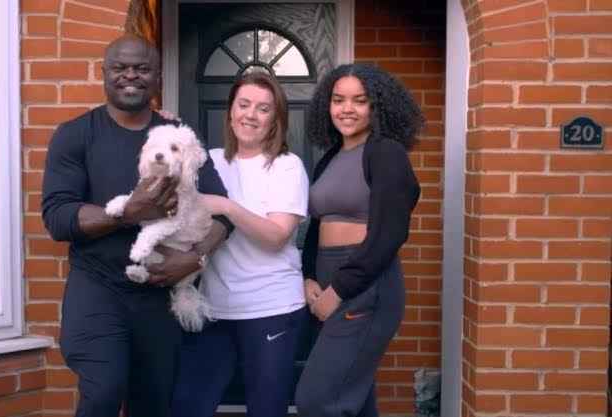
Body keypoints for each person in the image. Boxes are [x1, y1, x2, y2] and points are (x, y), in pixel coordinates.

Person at [41, 35, 233, 417]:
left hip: (157, 299)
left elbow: (223, 212)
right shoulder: (75, 134)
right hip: (98, 291)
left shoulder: (175, 136)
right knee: (102, 395)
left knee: (154, 404)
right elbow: (59, 217)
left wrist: (194, 258)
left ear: (158, 77)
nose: (131, 75)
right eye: (120, 68)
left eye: (142, 69)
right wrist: (128, 213)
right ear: (104, 73)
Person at [171, 72, 309, 417]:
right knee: (188, 405)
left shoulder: (287, 167)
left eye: (263, 109)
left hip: (271, 309)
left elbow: (277, 236)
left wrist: (227, 206)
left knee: (266, 409)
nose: (251, 115)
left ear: (275, 119)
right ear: (230, 112)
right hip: (213, 308)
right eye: (243, 104)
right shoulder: (209, 162)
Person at [294, 63, 423, 417]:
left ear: (376, 106)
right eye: (338, 100)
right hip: (329, 281)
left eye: (359, 101)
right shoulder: (331, 158)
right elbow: (315, 228)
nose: (346, 109)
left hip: (366, 287)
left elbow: (388, 236)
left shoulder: (386, 153)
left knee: (318, 400)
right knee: (353, 399)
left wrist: (337, 291)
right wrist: (308, 278)